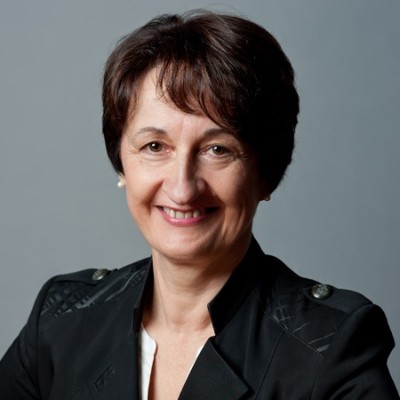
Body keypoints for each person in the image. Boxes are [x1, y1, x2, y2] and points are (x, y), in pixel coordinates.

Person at [0, 10, 398, 400]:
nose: (182, 188)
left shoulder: (328, 346)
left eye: (217, 149)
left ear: (266, 173)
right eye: (154, 146)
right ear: (121, 163)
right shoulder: (62, 318)